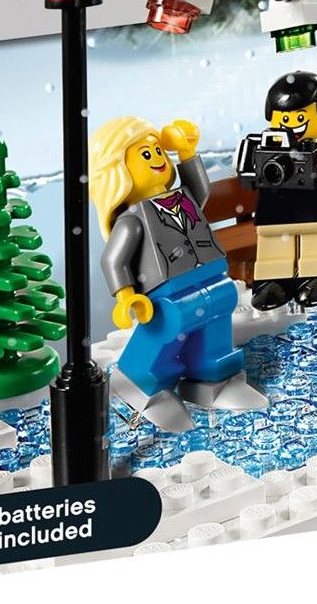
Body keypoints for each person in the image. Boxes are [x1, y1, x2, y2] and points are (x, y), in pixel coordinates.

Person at [90, 116, 265, 432]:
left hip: (210, 274)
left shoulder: (182, 199)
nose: (157, 159)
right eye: (146, 154)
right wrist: (126, 296)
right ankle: (138, 382)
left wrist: (186, 152)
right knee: (169, 326)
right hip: (166, 290)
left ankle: (213, 379)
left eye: (158, 150)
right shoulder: (132, 220)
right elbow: (113, 260)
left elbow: (201, 190)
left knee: (217, 315)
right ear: (118, 171)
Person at [235, 71, 317, 311]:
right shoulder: (262, 149)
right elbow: (245, 178)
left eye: (301, 116)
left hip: (316, 212)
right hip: (274, 213)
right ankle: (273, 281)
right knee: (273, 248)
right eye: (284, 118)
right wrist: (255, 171)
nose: (291, 124)